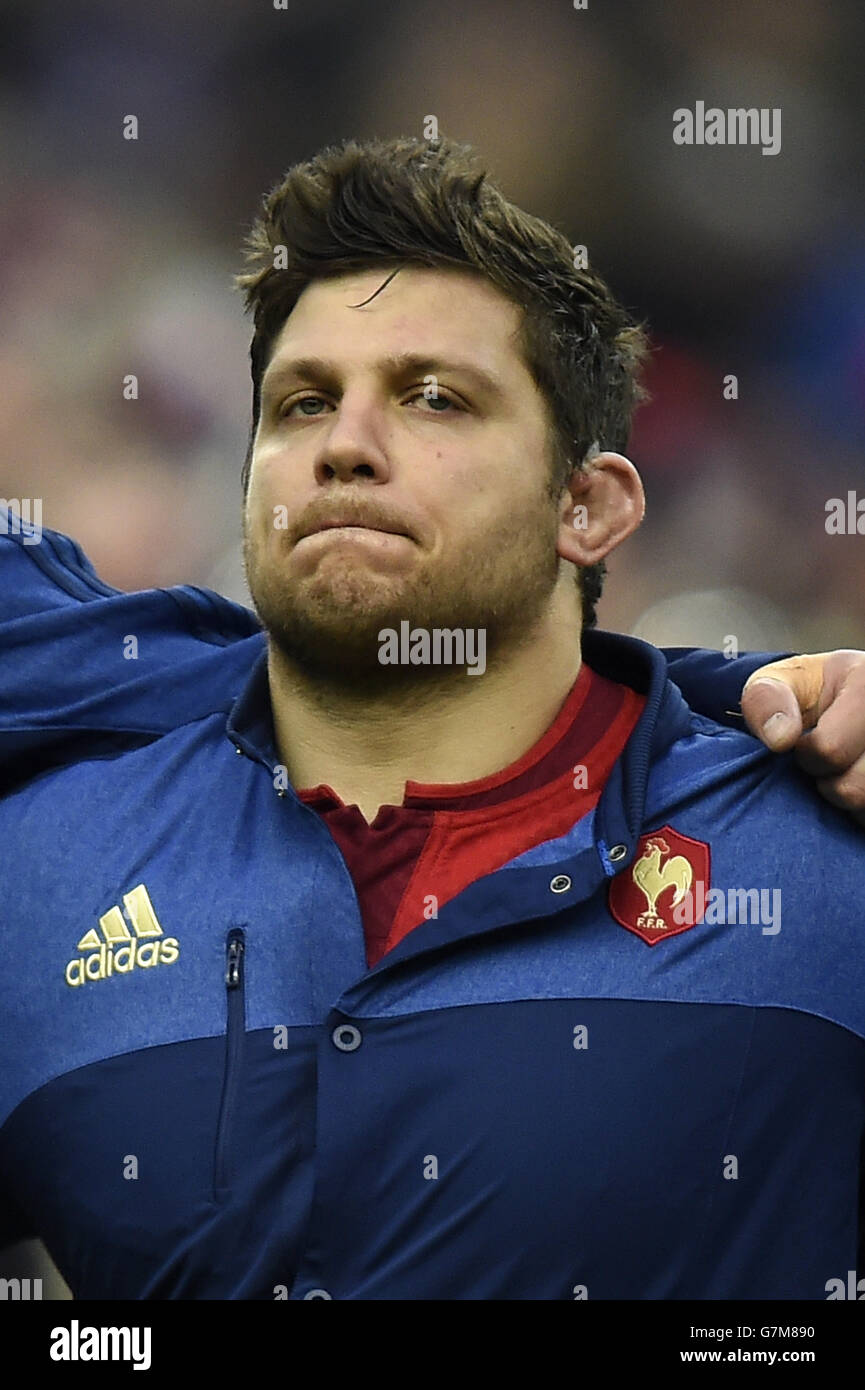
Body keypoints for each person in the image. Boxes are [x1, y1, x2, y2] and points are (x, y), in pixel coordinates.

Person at [1, 135, 864, 1300]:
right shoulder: (43, 871)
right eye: (301, 404)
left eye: (434, 397)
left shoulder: (819, 861)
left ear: (589, 505)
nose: (346, 446)